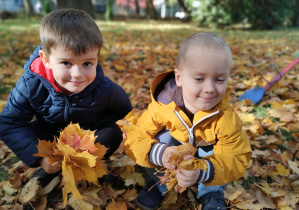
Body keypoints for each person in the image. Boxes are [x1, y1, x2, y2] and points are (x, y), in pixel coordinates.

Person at [0, 9, 132, 186]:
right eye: (66, 63)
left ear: (97, 58)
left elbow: (124, 112)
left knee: (112, 132)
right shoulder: (30, 85)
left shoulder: (104, 88)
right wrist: (41, 158)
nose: (77, 74)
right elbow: (10, 122)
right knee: (33, 131)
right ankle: (51, 169)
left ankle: (89, 166)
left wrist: (93, 136)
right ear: (46, 59)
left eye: (87, 63)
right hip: (51, 136)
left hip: (86, 137)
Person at [124, 32, 252, 209]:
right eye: (199, 78)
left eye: (219, 79)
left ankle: (210, 191)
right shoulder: (163, 106)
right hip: (169, 157)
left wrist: (203, 171)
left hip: (206, 162)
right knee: (162, 138)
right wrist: (160, 153)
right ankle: (158, 183)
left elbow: (237, 157)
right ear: (179, 78)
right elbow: (134, 138)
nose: (209, 89)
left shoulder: (226, 118)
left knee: (222, 153)